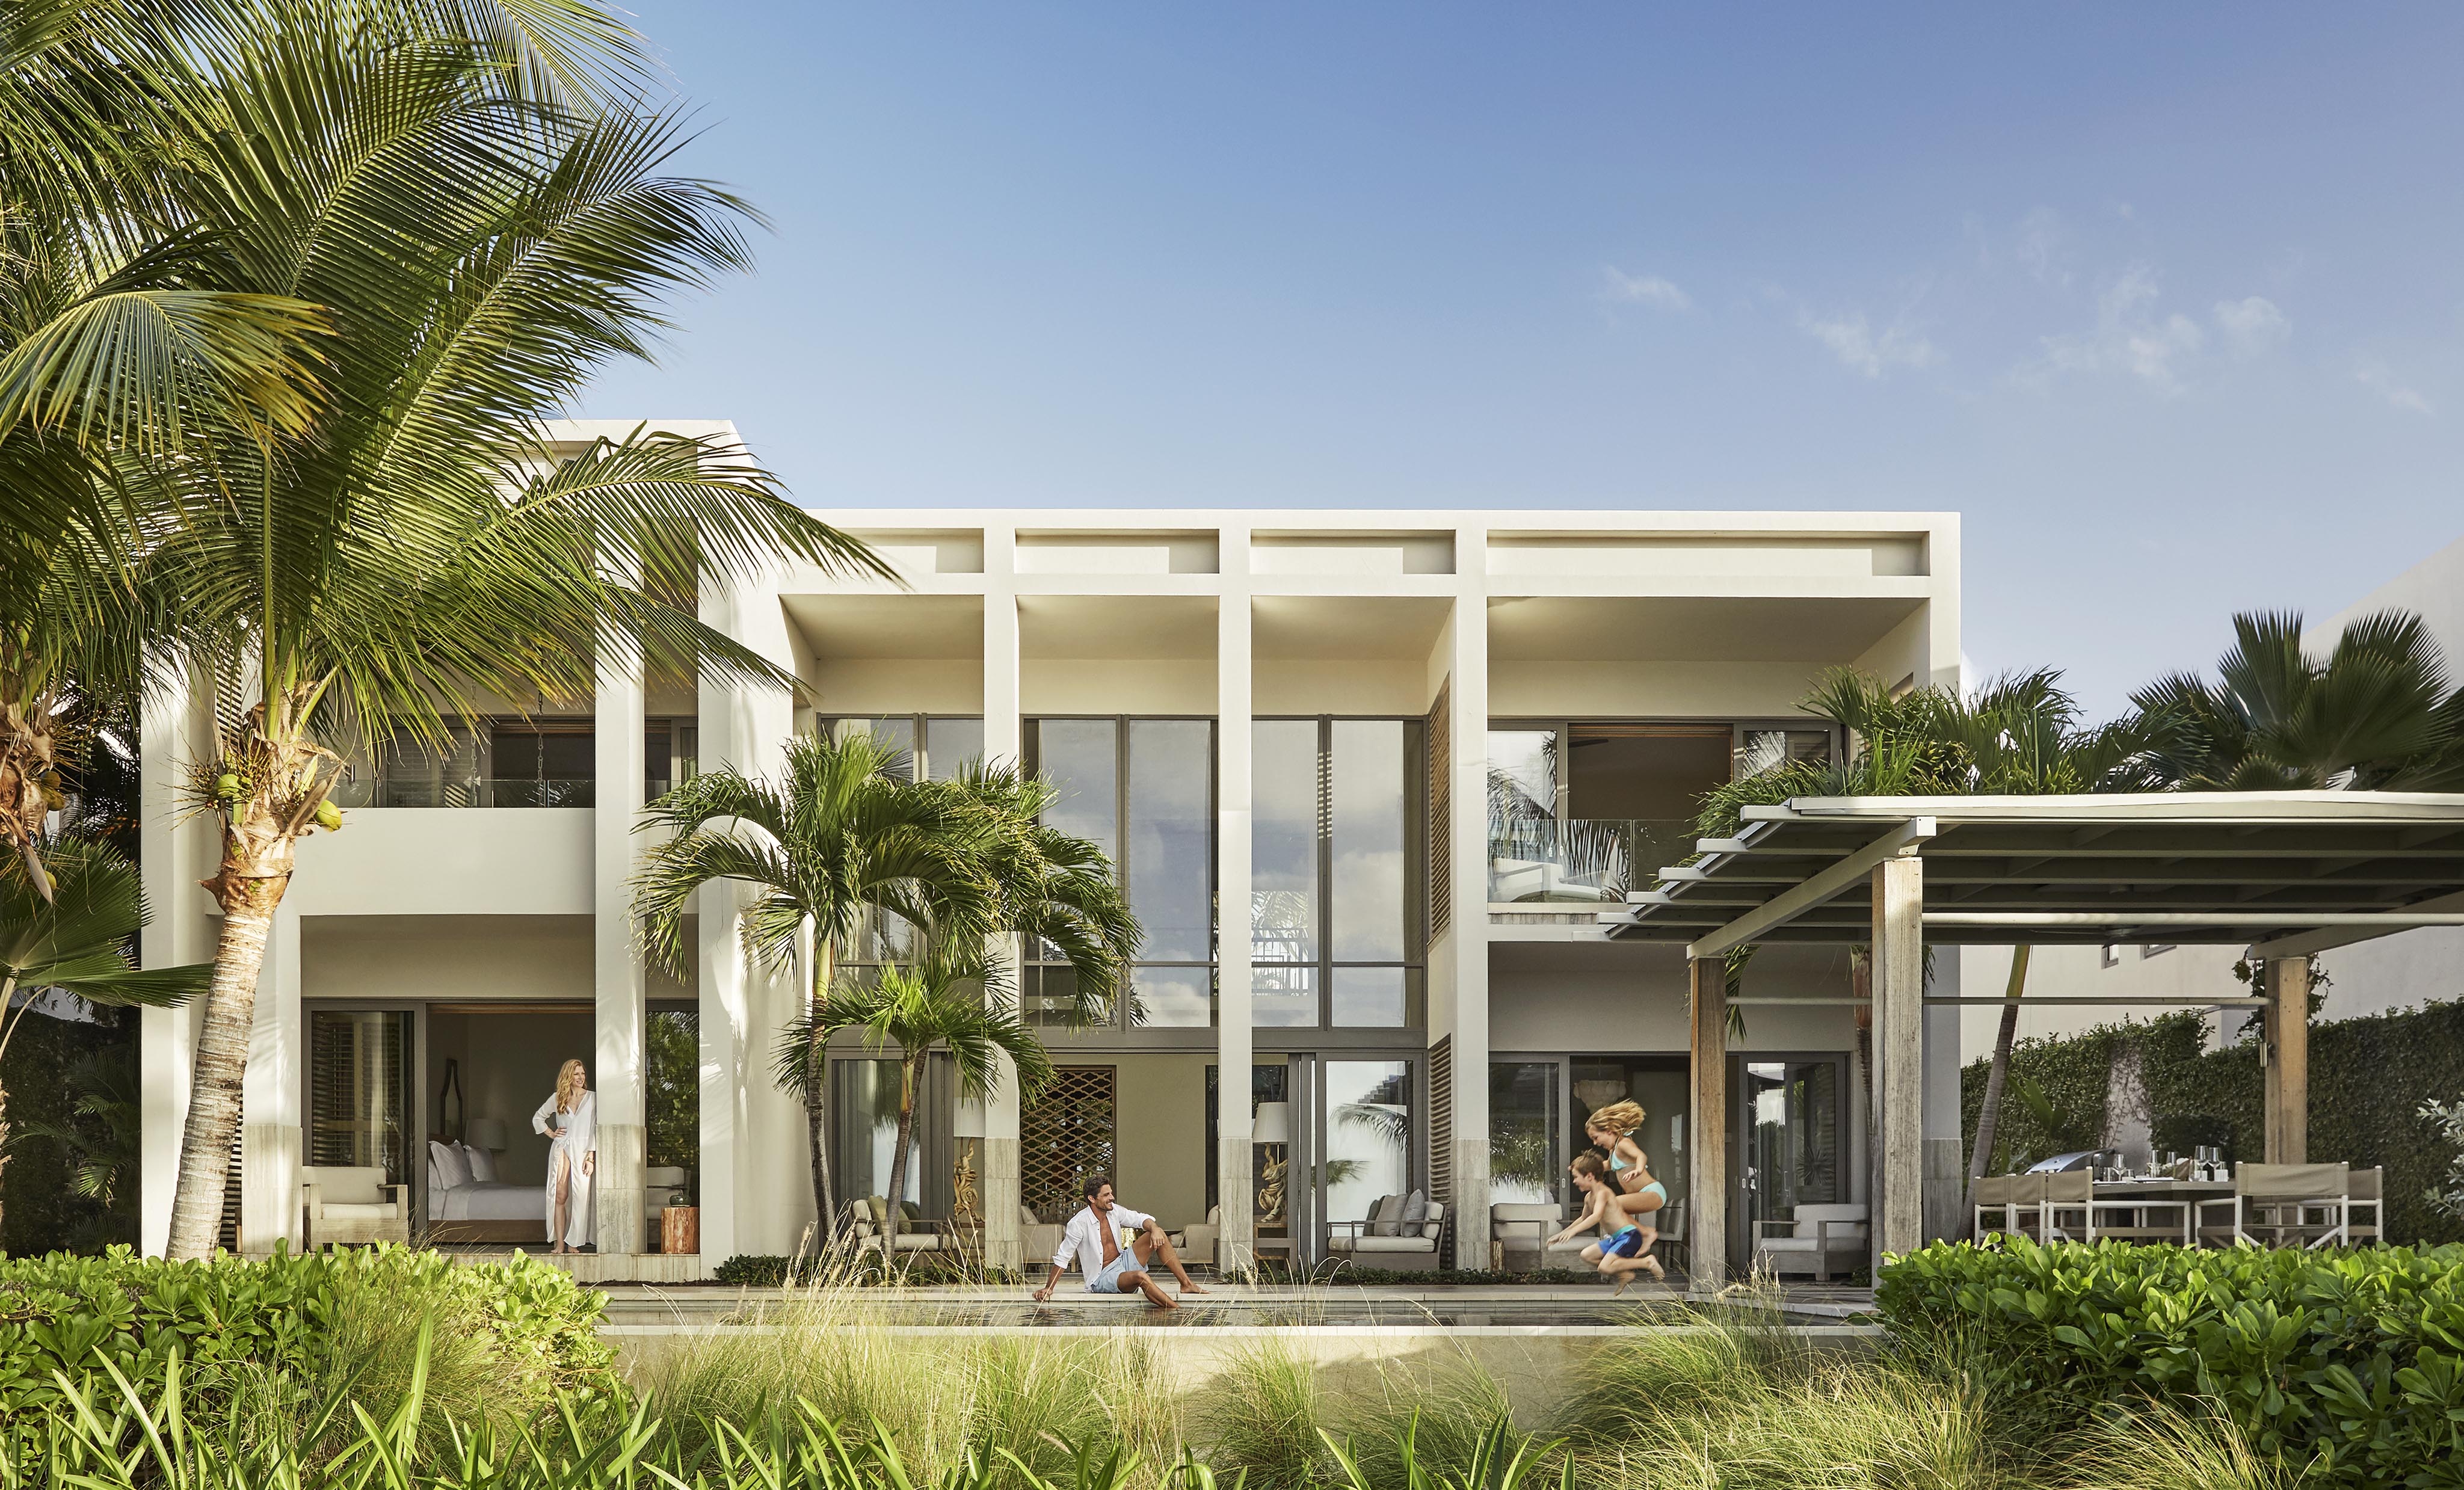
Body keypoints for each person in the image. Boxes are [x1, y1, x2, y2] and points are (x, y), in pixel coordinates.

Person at [1030, 1177, 1209, 1308]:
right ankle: (1177, 1312)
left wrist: (1154, 1229)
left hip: (1122, 1262)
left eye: (1111, 1193)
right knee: (1140, 1276)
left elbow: (1141, 1219)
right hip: (1102, 1278)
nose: (1112, 1198)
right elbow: (1063, 1257)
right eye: (1106, 1195)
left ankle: (1186, 1284)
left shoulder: (1114, 1211)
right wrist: (1048, 1288)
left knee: (1156, 1232)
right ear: (1092, 1199)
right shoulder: (1078, 1223)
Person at [1548, 1153, 1665, 1290]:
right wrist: (1564, 1232)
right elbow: (1584, 1218)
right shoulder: (1588, 1197)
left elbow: (1596, 1216)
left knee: (1605, 1267)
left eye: (1576, 1177)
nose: (1574, 1181)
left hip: (1629, 1236)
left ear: (1590, 1176)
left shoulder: (1603, 1193)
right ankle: (1624, 1273)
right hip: (1616, 1238)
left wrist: (1574, 1232)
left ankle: (1647, 1262)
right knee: (1587, 1255)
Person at [531, 1058, 596, 1254]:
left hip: (584, 1150)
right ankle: (560, 1243)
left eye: (583, 1074)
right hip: (562, 1148)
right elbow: (538, 1117)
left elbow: (595, 1128)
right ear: (568, 1075)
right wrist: (551, 1133)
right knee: (561, 1196)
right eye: (576, 1074)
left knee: (580, 1197)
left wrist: (591, 1157)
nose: (581, 1077)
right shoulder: (558, 1097)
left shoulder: (592, 1098)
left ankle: (573, 1243)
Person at [1586, 1100, 1670, 1228]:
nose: (1595, 1144)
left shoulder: (1624, 1143)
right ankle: (1629, 1234)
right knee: (1605, 1205)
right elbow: (1608, 1165)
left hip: (1652, 1192)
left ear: (1608, 1131)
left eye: (1596, 1138)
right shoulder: (1613, 1149)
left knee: (1609, 1203)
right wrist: (1585, 1169)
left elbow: (1640, 1155)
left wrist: (1639, 1170)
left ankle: (1639, 1234)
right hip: (1640, 1194)